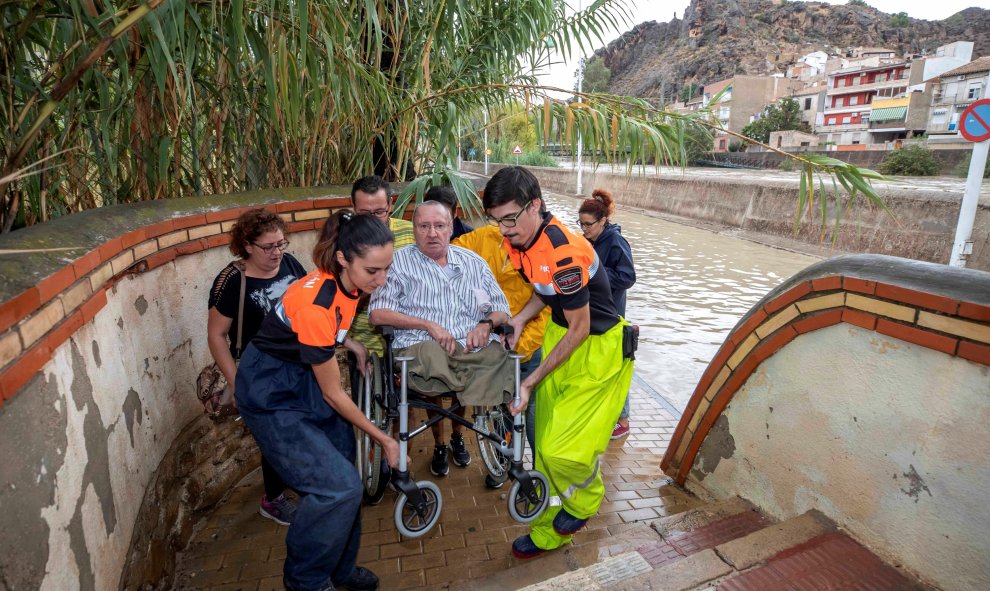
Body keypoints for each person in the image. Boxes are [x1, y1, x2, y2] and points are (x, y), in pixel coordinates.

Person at [234, 212, 399, 591]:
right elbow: (333, 391)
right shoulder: (316, 303)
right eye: (373, 270)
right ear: (343, 259)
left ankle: (340, 570)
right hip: (271, 391)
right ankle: (305, 581)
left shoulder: (350, 284)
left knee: (348, 478)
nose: (382, 279)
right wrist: (384, 438)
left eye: (386, 268)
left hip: (302, 374)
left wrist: (347, 341)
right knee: (335, 487)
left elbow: (326, 332)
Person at [482, 166, 634, 559]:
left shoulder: (564, 251)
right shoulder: (519, 242)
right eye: (496, 221)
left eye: (510, 219)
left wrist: (530, 381)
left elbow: (581, 327)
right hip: (559, 337)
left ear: (535, 205)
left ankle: (584, 504)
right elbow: (545, 293)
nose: (503, 230)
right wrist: (518, 318)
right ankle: (549, 532)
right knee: (544, 449)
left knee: (565, 449)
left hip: (596, 350)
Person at [368, 201, 513, 478]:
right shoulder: (396, 263)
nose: (432, 233)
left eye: (439, 226)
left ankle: (467, 387)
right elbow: (377, 314)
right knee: (433, 356)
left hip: (469, 346)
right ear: (414, 229)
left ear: (451, 227)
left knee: (499, 354)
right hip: (422, 346)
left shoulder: (474, 262)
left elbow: (501, 309)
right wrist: (427, 325)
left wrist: (487, 323)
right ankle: (471, 386)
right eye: (424, 226)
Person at [207, 208, 306, 525]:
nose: (277, 252)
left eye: (281, 244)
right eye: (269, 246)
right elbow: (216, 335)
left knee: (296, 429)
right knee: (274, 436)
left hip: (296, 365)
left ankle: (293, 479)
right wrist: (236, 382)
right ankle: (273, 499)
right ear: (247, 245)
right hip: (259, 373)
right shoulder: (232, 280)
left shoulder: (290, 264)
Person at [452, 221, 549, 477]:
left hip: (525, 344)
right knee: (498, 405)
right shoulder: (483, 237)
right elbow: (448, 254)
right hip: (490, 340)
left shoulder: (542, 251)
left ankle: (540, 469)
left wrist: (522, 346)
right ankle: (502, 462)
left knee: (531, 411)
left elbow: (546, 308)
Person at [578, 189, 637, 439]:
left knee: (615, 368)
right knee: (601, 367)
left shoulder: (615, 242)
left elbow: (627, 276)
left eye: (588, 224)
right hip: (596, 313)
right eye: (580, 224)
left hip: (613, 316)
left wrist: (595, 274)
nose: (583, 229)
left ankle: (622, 420)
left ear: (603, 221)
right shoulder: (591, 241)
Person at [347, 175, 415, 358]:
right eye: (364, 214)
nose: (373, 221)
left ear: (390, 204)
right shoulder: (344, 241)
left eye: (379, 212)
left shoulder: (411, 233)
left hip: (412, 334)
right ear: (353, 207)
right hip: (366, 340)